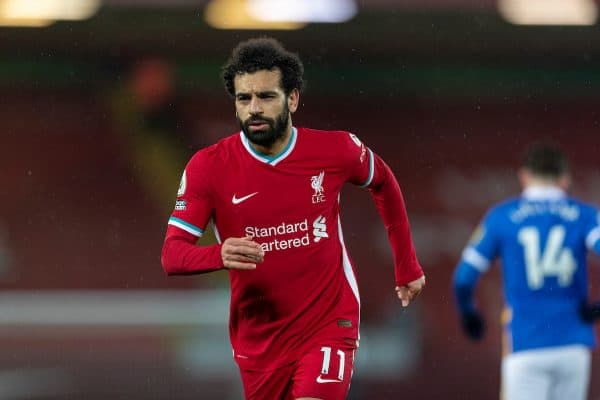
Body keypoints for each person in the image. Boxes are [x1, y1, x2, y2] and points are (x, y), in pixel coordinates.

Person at [160, 37, 426, 400]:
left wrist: (407, 265)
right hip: (259, 337)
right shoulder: (208, 168)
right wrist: (218, 254)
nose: (254, 108)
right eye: (244, 99)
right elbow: (172, 256)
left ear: (293, 99)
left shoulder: (336, 150)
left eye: (266, 97)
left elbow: (384, 183)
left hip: (329, 322)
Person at [453, 143, 600, 400]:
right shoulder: (585, 216)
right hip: (574, 344)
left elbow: (463, 278)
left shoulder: (502, 217)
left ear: (524, 176)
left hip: (525, 342)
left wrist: (469, 313)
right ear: (565, 178)